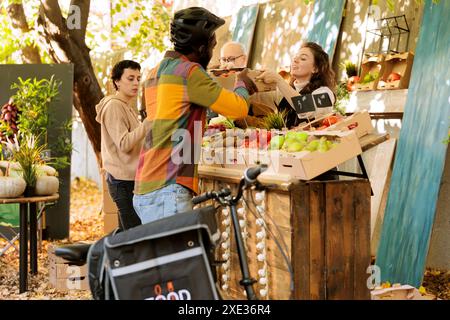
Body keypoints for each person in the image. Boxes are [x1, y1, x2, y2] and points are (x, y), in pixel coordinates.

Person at [133, 7, 257, 225]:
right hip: (169, 186)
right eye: (212, 45)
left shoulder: (155, 73)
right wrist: (242, 83)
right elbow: (238, 109)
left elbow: (171, 118)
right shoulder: (190, 72)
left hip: (145, 185)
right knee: (181, 259)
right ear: (201, 47)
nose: (213, 52)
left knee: (165, 259)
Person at [95, 60, 151, 230]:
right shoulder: (114, 107)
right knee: (134, 234)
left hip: (129, 179)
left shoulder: (125, 106)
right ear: (117, 81)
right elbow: (124, 143)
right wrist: (147, 125)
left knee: (128, 234)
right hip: (121, 181)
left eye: (138, 78)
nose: (135, 83)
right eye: (130, 78)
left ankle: (113, 257)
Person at [256, 42, 336, 128]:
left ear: (315, 68)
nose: (295, 60)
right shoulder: (285, 91)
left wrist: (278, 80)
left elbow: (306, 107)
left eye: (303, 58)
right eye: (295, 57)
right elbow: (257, 98)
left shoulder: (326, 93)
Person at [218, 41, 279, 127]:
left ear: (244, 59)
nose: (227, 64)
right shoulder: (220, 81)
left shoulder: (259, 79)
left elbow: (270, 122)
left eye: (231, 59)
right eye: (223, 60)